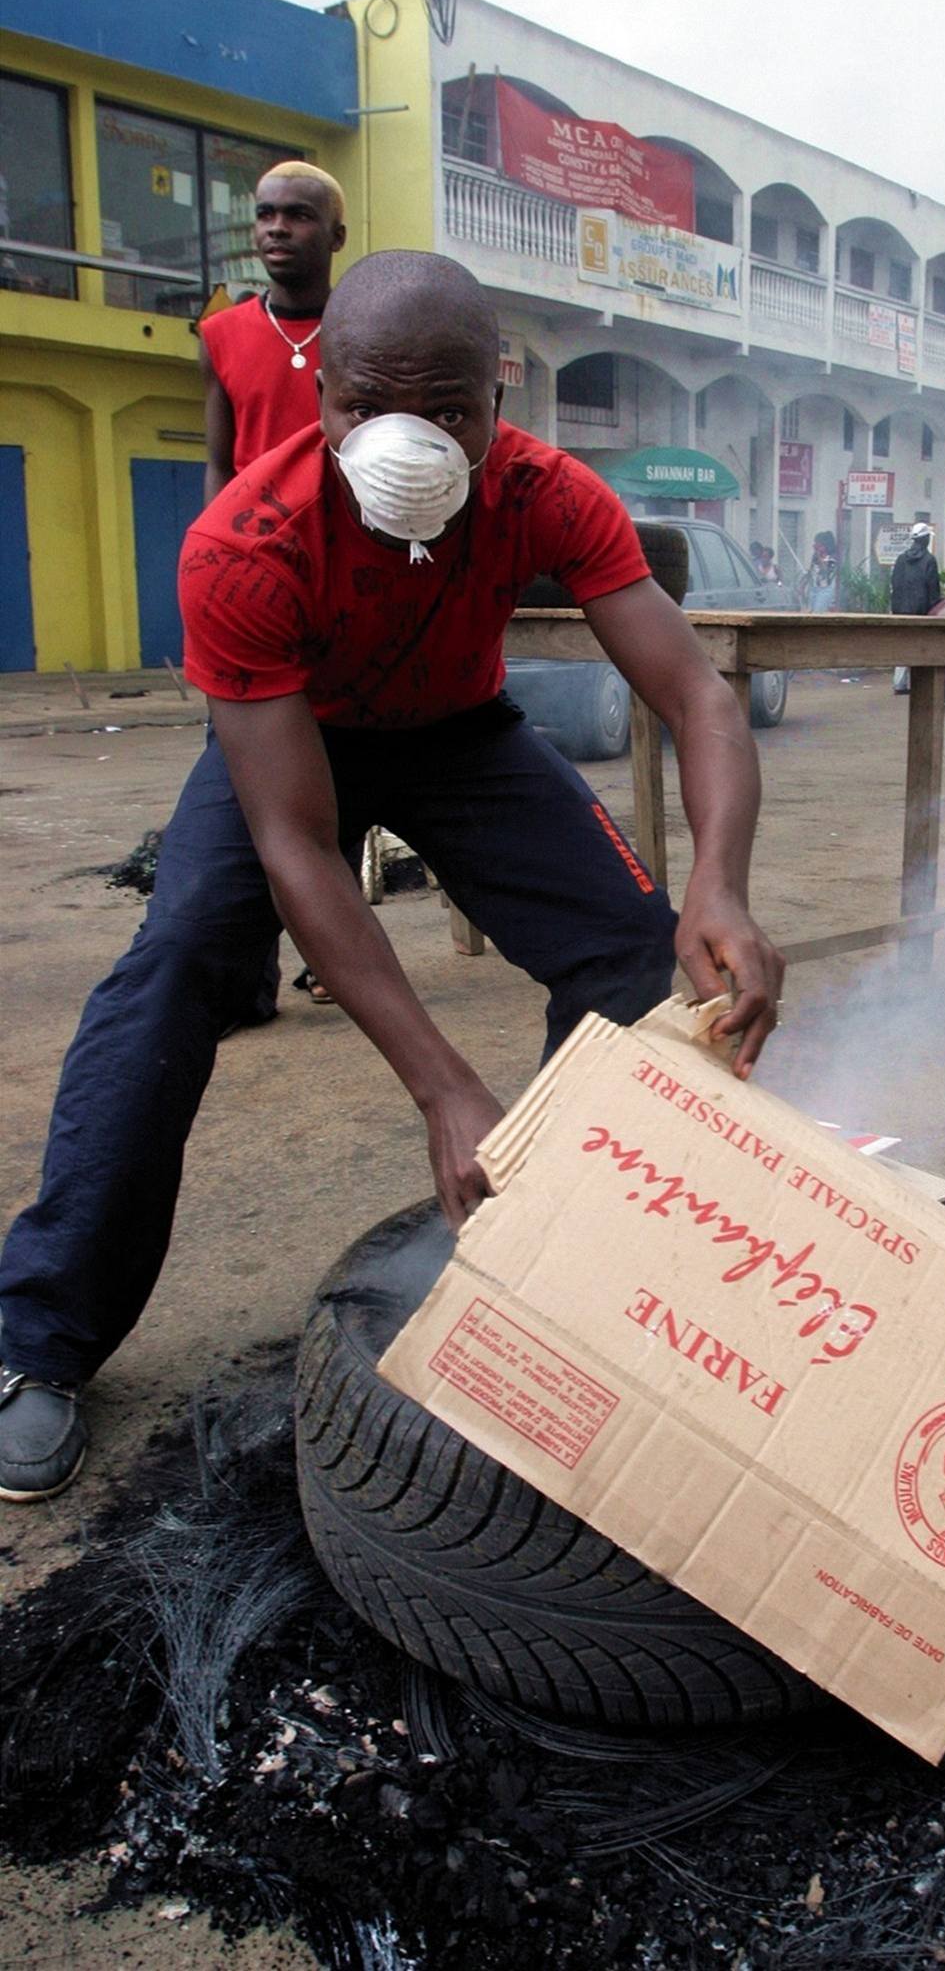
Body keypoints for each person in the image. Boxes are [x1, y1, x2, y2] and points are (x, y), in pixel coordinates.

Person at [0, 250, 784, 1502]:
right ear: (321, 401)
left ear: (497, 399)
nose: (408, 442)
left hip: (459, 735)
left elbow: (696, 693)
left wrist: (723, 886)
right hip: (292, 739)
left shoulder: (546, 492)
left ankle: (551, 1253)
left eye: (451, 412)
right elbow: (301, 844)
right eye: (368, 407)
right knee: (178, 966)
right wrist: (444, 1087)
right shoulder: (241, 544)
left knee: (636, 952)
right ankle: (37, 1339)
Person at [200, 160, 348, 1014]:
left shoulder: (365, 329)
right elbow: (220, 462)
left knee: (339, 777)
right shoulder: (221, 336)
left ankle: (335, 951)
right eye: (264, 215)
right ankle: (248, 977)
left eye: (297, 215)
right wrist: (214, 570)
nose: (276, 230)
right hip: (251, 589)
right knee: (247, 792)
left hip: (341, 578)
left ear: (334, 234)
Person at [890, 522, 941, 694]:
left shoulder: (901, 559)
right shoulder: (929, 561)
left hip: (900, 610)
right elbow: (933, 589)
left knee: (903, 645)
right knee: (920, 647)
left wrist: (896, 608)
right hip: (921, 612)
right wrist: (934, 610)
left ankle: (899, 683)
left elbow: (894, 584)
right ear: (926, 540)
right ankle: (916, 684)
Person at [800, 531, 839, 613]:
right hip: (813, 588)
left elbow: (826, 571)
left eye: (819, 544)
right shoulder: (815, 556)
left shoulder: (833, 557)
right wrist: (803, 584)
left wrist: (819, 556)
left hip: (825, 589)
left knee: (818, 612)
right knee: (810, 611)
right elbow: (811, 571)